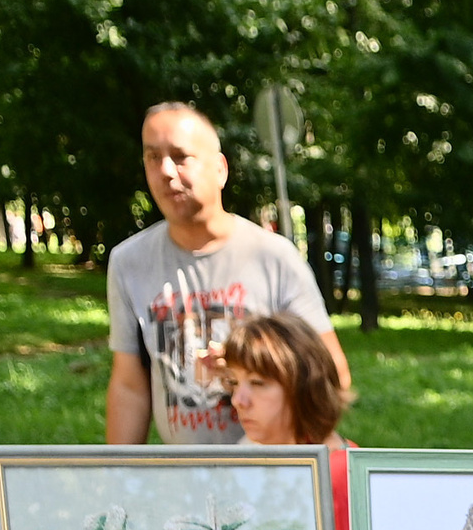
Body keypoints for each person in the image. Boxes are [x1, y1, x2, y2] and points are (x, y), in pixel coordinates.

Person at [105, 103, 345, 445]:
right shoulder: (128, 261)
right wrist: (121, 480)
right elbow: (129, 385)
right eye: (152, 157)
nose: (166, 171)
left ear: (220, 169)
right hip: (184, 479)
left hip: (272, 472)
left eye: (180, 156)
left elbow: (333, 375)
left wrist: (247, 363)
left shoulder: (273, 256)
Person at [222, 312, 356, 530]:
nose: (238, 400)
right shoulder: (243, 462)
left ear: (304, 387)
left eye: (257, 383)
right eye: (233, 382)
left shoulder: (341, 475)